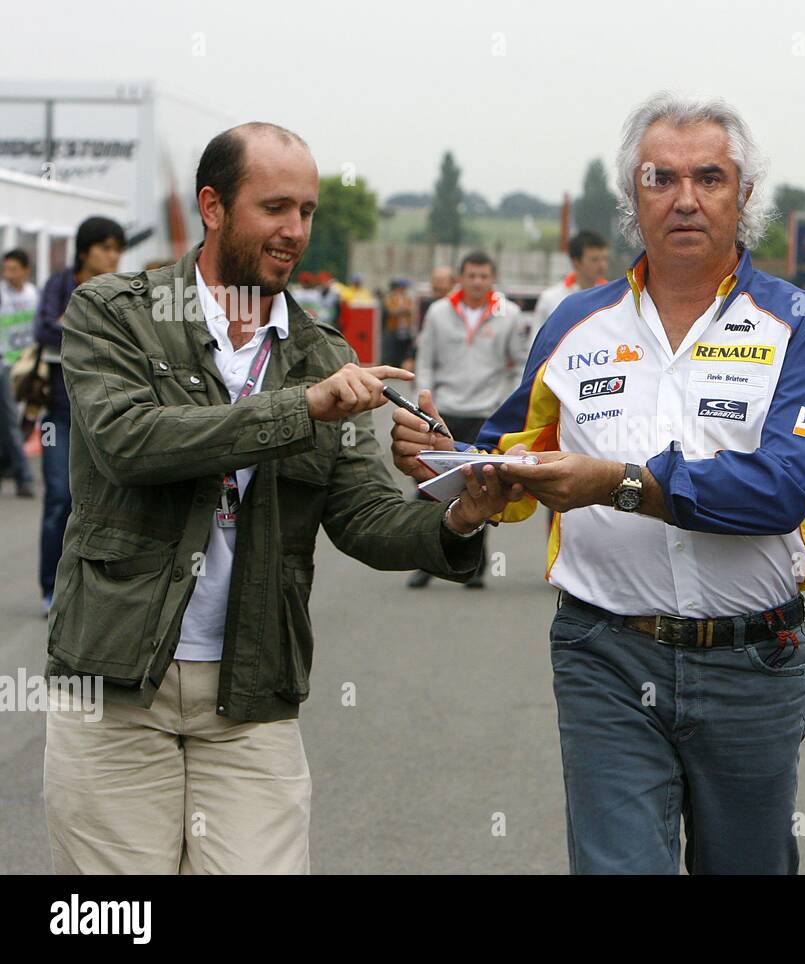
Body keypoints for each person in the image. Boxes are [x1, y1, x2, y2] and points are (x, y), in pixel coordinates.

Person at [42, 122, 518, 874]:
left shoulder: (320, 353)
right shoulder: (117, 311)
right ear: (213, 206)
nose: (295, 231)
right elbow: (126, 443)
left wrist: (458, 507)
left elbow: (363, 516)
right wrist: (303, 410)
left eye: (307, 211)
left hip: (251, 690)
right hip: (116, 682)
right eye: (275, 208)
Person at [393, 92, 805, 874]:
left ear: (744, 197)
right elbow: (509, 450)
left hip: (752, 660)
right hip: (603, 651)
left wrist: (620, 482)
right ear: (632, 200)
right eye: (659, 178)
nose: (684, 198)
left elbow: (781, 488)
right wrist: (443, 457)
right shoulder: (574, 324)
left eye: (709, 178)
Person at [408, 251, 527, 590]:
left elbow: (521, 364)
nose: (477, 282)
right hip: (442, 414)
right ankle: (424, 562)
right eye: (471, 275)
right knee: (428, 491)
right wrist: (424, 404)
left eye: (484, 276)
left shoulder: (510, 314)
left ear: (493, 279)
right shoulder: (438, 312)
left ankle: (473, 567)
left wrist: (506, 405)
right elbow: (425, 359)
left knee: (482, 493)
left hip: (485, 416)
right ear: (460, 278)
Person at [33, 217, 125, 614]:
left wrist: (72, 328)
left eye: (117, 247)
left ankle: (91, 587)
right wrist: (91, 333)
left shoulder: (122, 289)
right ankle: (50, 588)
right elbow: (44, 331)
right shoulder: (59, 284)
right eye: (105, 246)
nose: (112, 255)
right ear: (85, 250)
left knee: (105, 502)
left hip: (106, 410)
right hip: (59, 411)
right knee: (59, 497)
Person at [530, 229, 609, 349]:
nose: (602, 265)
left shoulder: (613, 297)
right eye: (595, 260)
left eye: (604, 259)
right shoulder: (551, 298)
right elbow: (535, 345)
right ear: (576, 262)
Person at [0, 248, 37, 496]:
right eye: (5, 269)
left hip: (26, 365)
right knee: (11, 419)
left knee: (24, 419)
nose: (8, 274)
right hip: (4, 364)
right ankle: (24, 476)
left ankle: (10, 466)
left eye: (13, 269)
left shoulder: (34, 294)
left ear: (26, 271)